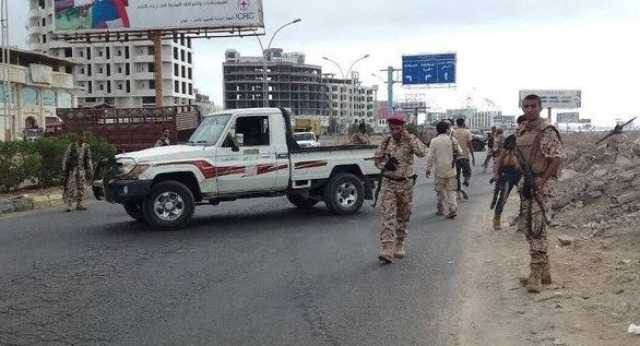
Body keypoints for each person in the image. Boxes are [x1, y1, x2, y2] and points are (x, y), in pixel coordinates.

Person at [516, 94, 565, 293]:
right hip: (527, 184)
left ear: (540, 107)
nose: (529, 109)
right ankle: (545, 272)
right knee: (529, 229)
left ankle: (535, 274)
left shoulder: (547, 131)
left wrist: (542, 180)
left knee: (537, 228)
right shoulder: (522, 130)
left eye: (533, 106)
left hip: (541, 186)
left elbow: (557, 158)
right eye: (526, 106)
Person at [374, 115, 426, 264]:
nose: (394, 132)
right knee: (387, 215)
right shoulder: (386, 141)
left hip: (405, 185)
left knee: (403, 216)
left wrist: (409, 137)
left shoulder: (410, 140)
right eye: (391, 129)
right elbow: (377, 159)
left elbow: (422, 152)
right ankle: (387, 249)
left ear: (402, 128)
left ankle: (399, 243)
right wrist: (384, 164)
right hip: (389, 183)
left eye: (397, 129)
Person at [426, 121, 462, 220]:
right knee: (451, 191)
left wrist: (428, 168)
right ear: (447, 129)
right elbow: (460, 152)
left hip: (439, 171)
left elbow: (430, 156)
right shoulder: (452, 140)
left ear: (437, 130)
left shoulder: (434, 141)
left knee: (441, 191)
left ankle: (442, 209)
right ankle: (453, 208)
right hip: (451, 170)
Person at [492, 134, 521, 230]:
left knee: (524, 196)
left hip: (518, 173)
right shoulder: (506, 150)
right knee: (503, 197)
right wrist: (496, 174)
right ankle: (497, 219)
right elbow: (499, 161)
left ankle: (522, 219)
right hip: (507, 173)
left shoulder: (520, 149)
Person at [62, 131, 93, 212]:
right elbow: (66, 158)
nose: (83, 138)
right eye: (81, 136)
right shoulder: (72, 146)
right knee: (71, 187)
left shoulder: (86, 147)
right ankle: (69, 205)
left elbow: (88, 159)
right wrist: (65, 169)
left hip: (81, 169)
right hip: (73, 170)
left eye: (84, 137)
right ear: (78, 137)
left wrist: (90, 169)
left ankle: (79, 204)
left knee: (81, 187)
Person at [453, 118, 476, 191]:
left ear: (457, 123)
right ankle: (466, 180)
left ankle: (458, 190)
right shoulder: (467, 132)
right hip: (465, 157)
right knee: (468, 172)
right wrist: (473, 157)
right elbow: (470, 145)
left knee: (457, 176)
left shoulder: (453, 133)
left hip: (456, 158)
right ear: (463, 123)